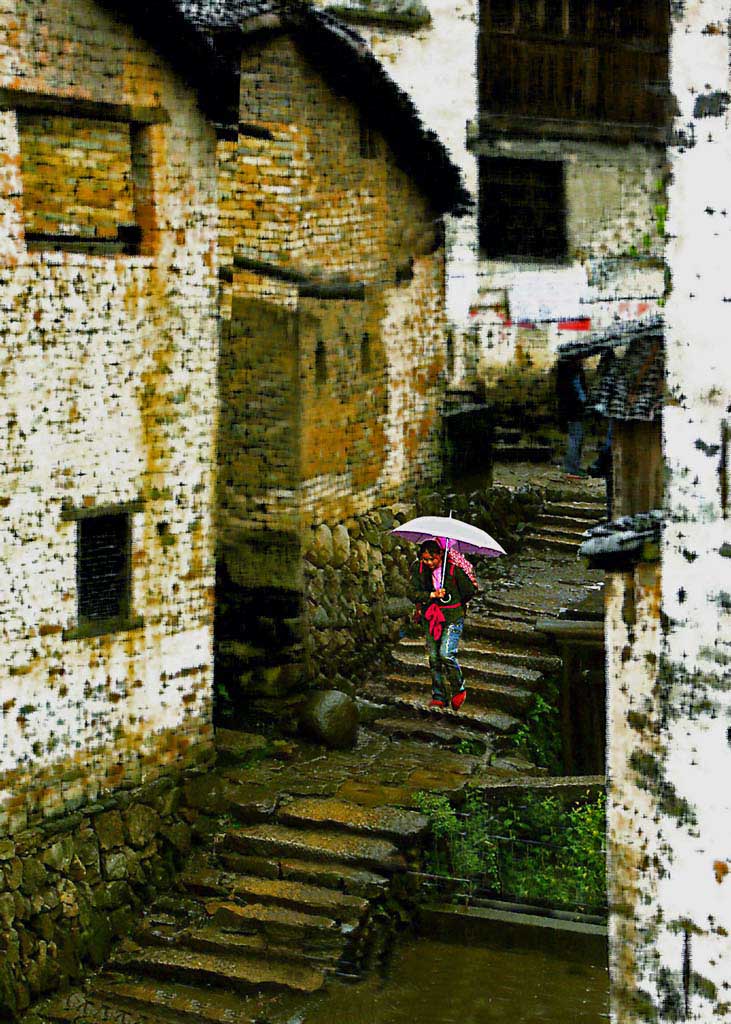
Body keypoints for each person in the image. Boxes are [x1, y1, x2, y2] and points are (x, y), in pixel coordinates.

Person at [411, 539, 478, 711]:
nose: (429, 563)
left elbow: (469, 591)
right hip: (431, 617)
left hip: (452, 617)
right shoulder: (419, 570)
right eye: (425, 560)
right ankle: (439, 695)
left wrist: (455, 603)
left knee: (446, 653)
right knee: (434, 657)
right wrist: (432, 595)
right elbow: (413, 593)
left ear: (441, 555)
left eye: (432, 559)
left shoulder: (454, 571)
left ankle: (458, 688)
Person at [556, 354, 587, 478]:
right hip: (573, 410)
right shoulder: (573, 377)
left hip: (570, 410)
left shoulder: (565, 376)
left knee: (575, 438)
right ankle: (572, 467)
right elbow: (579, 395)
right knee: (576, 438)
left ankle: (572, 465)